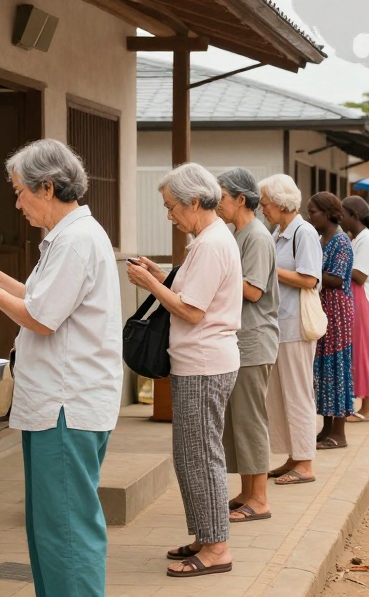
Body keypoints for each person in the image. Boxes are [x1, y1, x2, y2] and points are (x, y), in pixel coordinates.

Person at [0, 139, 121, 594]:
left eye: (19, 191)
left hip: (66, 405)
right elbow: (40, 297)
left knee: (67, 530)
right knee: (51, 527)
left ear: (46, 187)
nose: (17, 202)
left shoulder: (76, 241)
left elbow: (42, 318)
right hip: (60, 404)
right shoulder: (70, 237)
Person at [127, 163, 241, 578]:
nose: (170, 215)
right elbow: (192, 294)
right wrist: (159, 276)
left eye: (172, 206)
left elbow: (191, 310)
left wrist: (151, 284)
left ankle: (216, 548)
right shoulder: (209, 241)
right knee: (190, 454)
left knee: (201, 456)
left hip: (204, 363)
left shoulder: (211, 244)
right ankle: (205, 535)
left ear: (195, 201)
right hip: (201, 362)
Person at [215, 169, 279, 524]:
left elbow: (253, 290)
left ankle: (260, 498)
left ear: (241, 198)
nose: (218, 204)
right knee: (237, 419)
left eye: (222, 196)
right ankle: (248, 492)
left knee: (251, 419)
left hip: (254, 341)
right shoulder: (238, 233)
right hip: (242, 340)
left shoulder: (256, 236)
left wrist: (217, 273)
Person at [257, 174, 321, 487]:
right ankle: (294, 457)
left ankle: (305, 462)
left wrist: (270, 270)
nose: (262, 208)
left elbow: (310, 279)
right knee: (280, 397)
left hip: (295, 324)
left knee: (297, 394)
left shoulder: (303, 233)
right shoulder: (278, 232)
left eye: (265, 203)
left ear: (282, 204)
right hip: (278, 323)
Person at [307, 192, 356, 450]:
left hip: (337, 314)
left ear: (327, 213)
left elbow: (336, 279)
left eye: (313, 211)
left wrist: (306, 274)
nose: (309, 216)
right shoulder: (320, 238)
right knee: (324, 371)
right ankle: (326, 428)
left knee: (337, 370)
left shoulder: (341, 242)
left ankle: (339, 433)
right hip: (323, 312)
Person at [341, 196, 369, 422]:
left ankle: (367, 408)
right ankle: (360, 404)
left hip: (364, 300)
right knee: (357, 353)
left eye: (343, 215)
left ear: (354, 216)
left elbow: (359, 275)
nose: (340, 219)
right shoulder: (358, 238)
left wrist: (337, 266)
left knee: (365, 354)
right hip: (358, 301)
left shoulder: (367, 240)